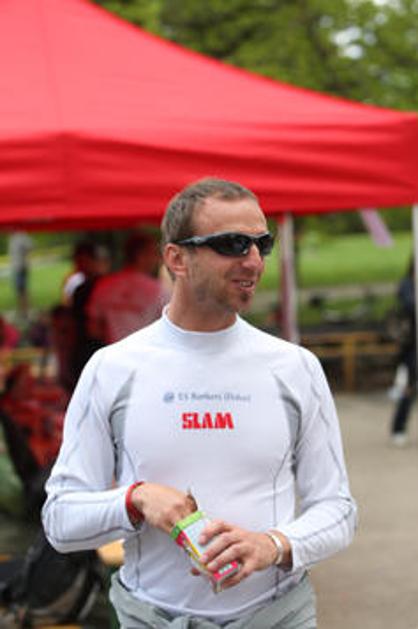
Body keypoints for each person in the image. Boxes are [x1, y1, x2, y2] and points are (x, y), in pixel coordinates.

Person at [42, 178, 357, 629]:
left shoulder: (295, 367)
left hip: (276, 616)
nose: (253, 260)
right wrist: (135, 500)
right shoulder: (112, 369)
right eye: (232, 244)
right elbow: (60, 521)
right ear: (176, 258)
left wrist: (274, 544)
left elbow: (338, 510)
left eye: (262, 244)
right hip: (152, 617)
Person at [86, 229, 168, 344]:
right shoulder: (158, 289)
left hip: (112, 350)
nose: (158, 260)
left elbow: (94, 330)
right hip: (146, 351)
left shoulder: (104, 285)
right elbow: (169, 328)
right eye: (154, 254)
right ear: (140, 256)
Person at [390, 259, 416, 446]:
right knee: (409, 387)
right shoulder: (407, 284)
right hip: (412, 346)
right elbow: (409, 305)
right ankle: (398, 427)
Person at [8, 231, 33, 320]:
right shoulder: (13, 237)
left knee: (22, 290)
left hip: (21, 267)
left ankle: (25, 312)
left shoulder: (21, 236)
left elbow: (30, 246)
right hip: (17, 268)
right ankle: (22, 311)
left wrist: (24, 252)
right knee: (19, 291)